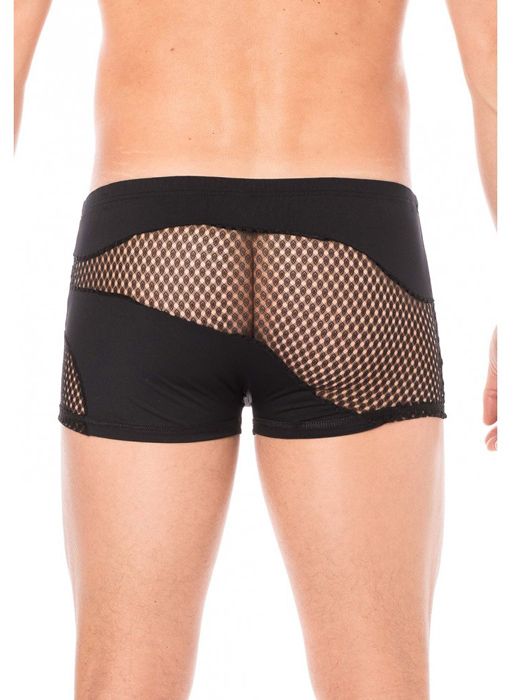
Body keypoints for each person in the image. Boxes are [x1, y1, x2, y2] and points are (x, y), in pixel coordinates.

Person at [14, 0, 496, 697]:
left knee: (122, 678)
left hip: (150, 248)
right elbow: (496, 71)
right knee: (379, 679)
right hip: (349, 258)